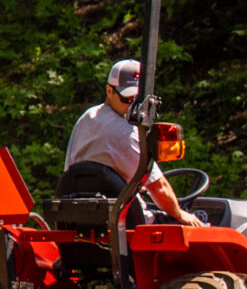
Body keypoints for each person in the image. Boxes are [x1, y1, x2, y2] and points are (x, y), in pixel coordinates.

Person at [60, 58, 185, 221]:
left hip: (82, 220)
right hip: (127, 224)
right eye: (127, 98)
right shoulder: (126, 133)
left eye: (138, 99)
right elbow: (159, 188)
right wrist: (181, 214)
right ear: (109, 91)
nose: (133, 105)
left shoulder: (86, 118)